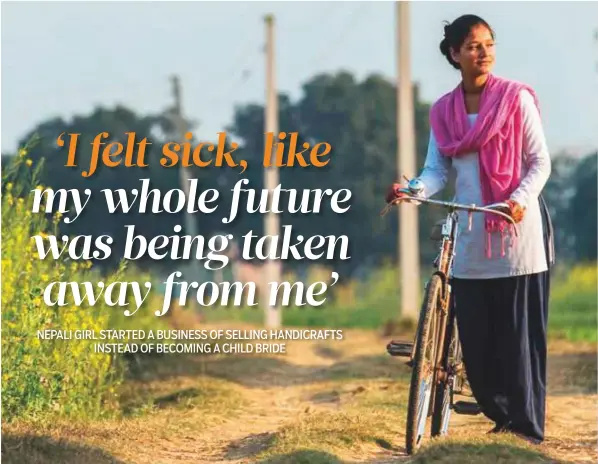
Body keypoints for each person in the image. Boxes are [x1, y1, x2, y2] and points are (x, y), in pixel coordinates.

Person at [385, 14, 554, 444]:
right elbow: (436, 168)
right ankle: (500, 418)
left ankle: (525, 433)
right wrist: (414, 189)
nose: (484, 53)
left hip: (516, 235)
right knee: (477, 346)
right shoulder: (444, 111)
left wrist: (518, 199)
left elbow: (539, 162)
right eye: (474, 46)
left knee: (519, 344)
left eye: (489, 44)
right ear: (454, 53)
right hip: (472, 239)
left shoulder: (516, 100)